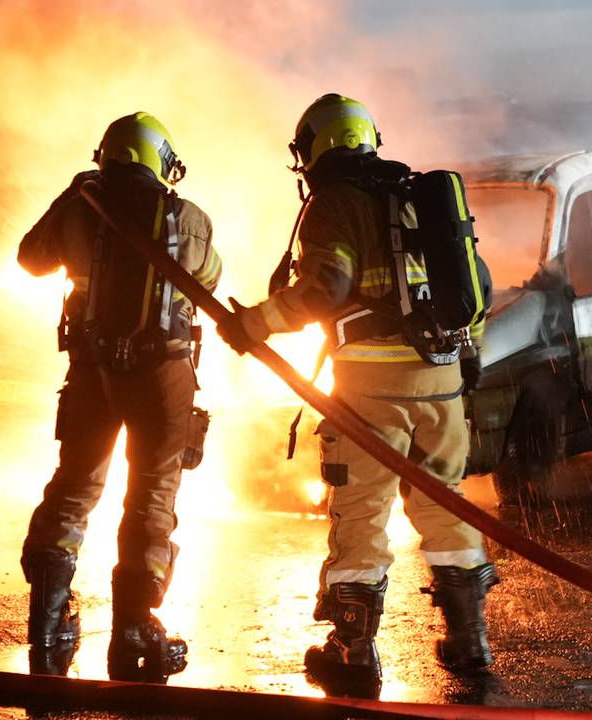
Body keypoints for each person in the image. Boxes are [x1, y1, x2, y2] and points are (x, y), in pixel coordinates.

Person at [216, 94, 496, 695]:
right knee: (445, 505)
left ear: (312, 149)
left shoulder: (332, 206)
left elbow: (325, 287)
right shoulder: (421, 197)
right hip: (443, 377)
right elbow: (474, 284)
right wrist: (467, 355)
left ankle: (351, 650)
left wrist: (254, 324)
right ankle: (470, 641)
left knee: (362, 513)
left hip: (371, 386)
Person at [17, 112, 222, 682]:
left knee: (74, 485)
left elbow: (30, 258)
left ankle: (49, 619)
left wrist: (71, 199)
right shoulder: (190, 218)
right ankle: (134, 626)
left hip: (90, 370)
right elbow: (209, 277)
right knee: (153, 491)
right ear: (162, 161)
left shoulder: (79, 204)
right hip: (161, 374)